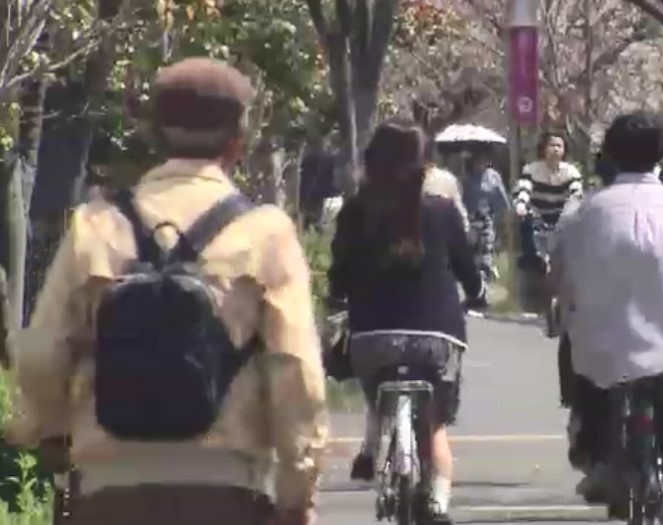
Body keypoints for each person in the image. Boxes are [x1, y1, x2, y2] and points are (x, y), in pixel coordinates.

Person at [5, 57, 328, 525]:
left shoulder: (95, 225)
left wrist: (49, 433)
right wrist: (298, 491)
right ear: (238, 142)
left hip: (107, 493)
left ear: (154, 135)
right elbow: (297, 374)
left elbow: (41, 356)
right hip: (226, 492)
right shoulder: (265, 233)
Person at [553, 112, 663, 524]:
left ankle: (600, 459)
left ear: (611, 154)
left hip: (605, 346)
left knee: (586, 368)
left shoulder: (586, 212)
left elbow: (559, 276)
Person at [328, 119, 486, 525]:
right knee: (433, 425)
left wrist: (337, 297)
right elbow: (467, 269)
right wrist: (477, 291)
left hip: (372, 338)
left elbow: (338, 273)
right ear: (425, 164)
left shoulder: (355, 211)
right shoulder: (442, 210)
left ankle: (371, 445)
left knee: (376, 390)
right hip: (437, 336)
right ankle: (438, 503)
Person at [512, 131, 584, 268]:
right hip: (537, 220)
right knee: (526, 230)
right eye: (552, 145)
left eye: (559, 146)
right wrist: (521, 205)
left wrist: (569, 213)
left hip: (561, 221)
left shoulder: (571, 172)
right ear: (544, 148)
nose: (555, 149)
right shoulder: (531, 169)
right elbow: (524, 189)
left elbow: (576, 195)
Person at [462, 147, 510, 281]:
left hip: (487, 220)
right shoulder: (466, 178)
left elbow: (501, 203)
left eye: (483, 160)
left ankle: (485, 277)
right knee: (471, 255)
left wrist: (503, 228)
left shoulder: (493, 177)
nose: (480, 164)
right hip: (469, 221)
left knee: (486, 253)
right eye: (477, 160)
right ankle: (474, 281)